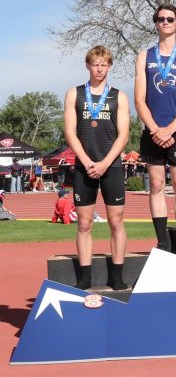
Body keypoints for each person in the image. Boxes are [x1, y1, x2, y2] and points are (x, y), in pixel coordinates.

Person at [63, 45, 131, 290]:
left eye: (104, 64)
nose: (100, 69)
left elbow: (124, 135)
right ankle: (85, 276)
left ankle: (117, 275)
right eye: (95, 64)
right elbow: (70, 132)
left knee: (116, 221)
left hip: (110, 165)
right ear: (88, 66)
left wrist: (104, 163)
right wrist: (87, 161)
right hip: (84, 166)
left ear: (109, 66)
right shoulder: (75, 94)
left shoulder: (119, 96)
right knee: (84, 223)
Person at [134, 4, 176, 257]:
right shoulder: (144, 56)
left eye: (170, 19)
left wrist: (170, 129)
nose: (165, 22)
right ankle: (162, 242)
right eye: (160, 19)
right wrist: (155, 130)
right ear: (156, 23)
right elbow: (140, 99)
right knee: (157, 185)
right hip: (152, 131)